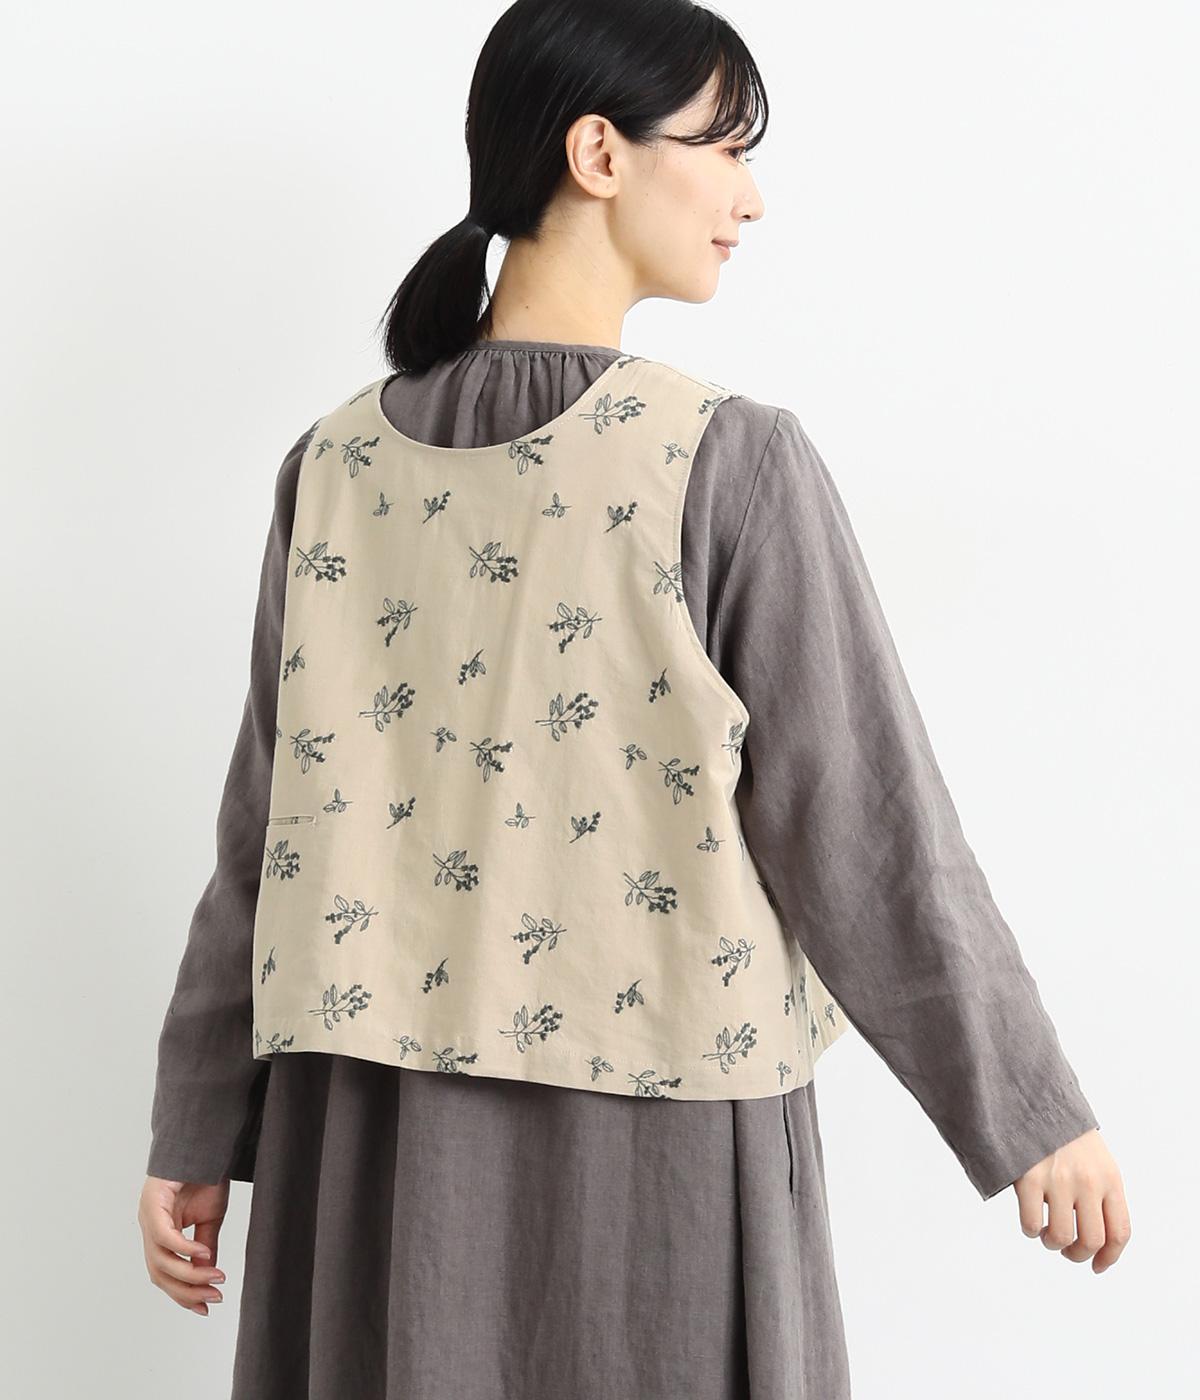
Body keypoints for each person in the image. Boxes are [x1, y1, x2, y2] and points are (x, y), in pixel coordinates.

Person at [136, 2, 1130, 1395]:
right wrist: (1030, 1114)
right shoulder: (726, 462)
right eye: (725, 147)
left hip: (362, 1137)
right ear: (599, 153)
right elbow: (864, 827)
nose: (750, 196)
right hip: (649, 1156)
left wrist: (197, 1123)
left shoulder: (335, 466)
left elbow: (260, 833)